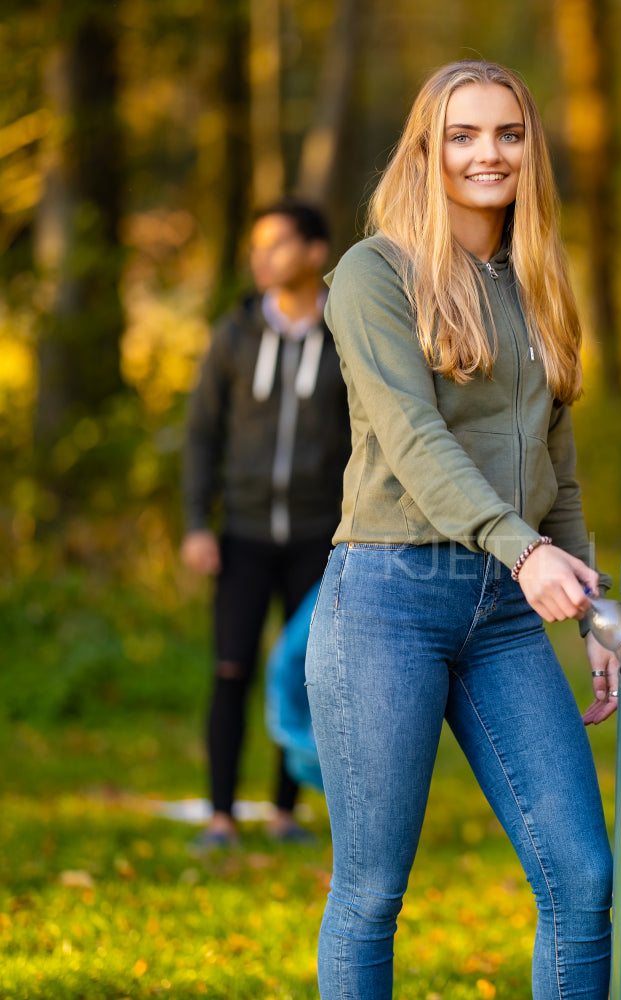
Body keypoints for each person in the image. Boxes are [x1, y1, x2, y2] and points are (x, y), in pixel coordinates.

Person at [307, 61, 618, 1000]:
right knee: (370, 893)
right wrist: (524, 550)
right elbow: (413, 439)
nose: (490, 153)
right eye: (464, 134)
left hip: (505, 614)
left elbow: (554, 464)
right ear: (427, 150)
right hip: (386, 601)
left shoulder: (535, 282)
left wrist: (594, 608)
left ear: (532, 150)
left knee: (583, 878)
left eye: (509, 134)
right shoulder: (375, 274)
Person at [181, 198, 349, 847]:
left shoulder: (347, 331)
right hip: (242, 536)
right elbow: (201, 434)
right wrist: (198, 522)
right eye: (257, 246)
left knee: (305, 670)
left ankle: (285, 813)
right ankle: (220, 816)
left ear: (314, 252)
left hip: (320, 536)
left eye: (277, 244)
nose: (262, 258)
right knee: (231, 669)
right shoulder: (236, 333)